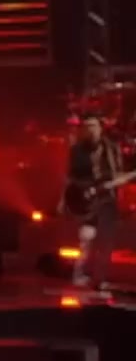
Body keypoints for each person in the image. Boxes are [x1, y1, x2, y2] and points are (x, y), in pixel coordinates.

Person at [64, 114, 125, 290]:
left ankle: (100, 278)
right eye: (87, 126)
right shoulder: (77, 150)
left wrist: (114, 186)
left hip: (107, 199)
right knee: (87, 238)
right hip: (86, 199)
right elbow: (72, 176)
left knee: (106, 240)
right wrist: (86, 190)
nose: (90, 130)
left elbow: (119, 173)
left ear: (100, 128)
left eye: (94, 126)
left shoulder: (111, 149)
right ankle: (80, 274)